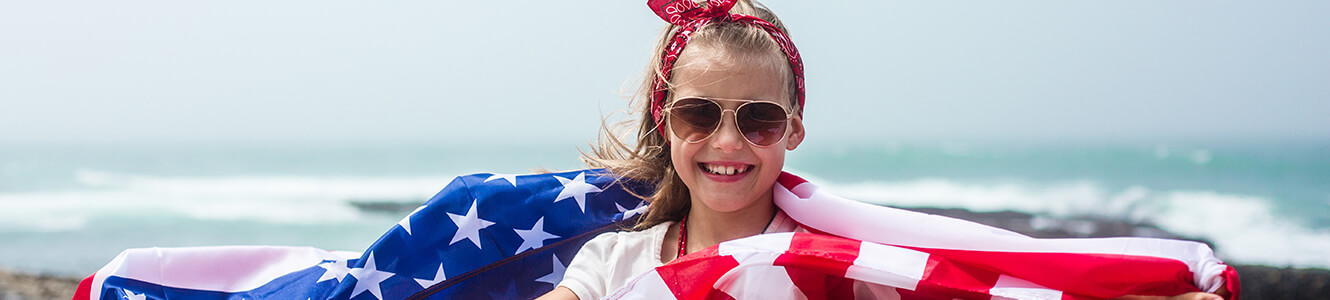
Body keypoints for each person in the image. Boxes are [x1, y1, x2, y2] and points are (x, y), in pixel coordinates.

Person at [540, 1, 1228, 299]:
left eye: (759, 120)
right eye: (699, 114)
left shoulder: (843, 266)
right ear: (666, 123)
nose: (728, 142)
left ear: (794, 132)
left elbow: (974, 288)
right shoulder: (617, 262)